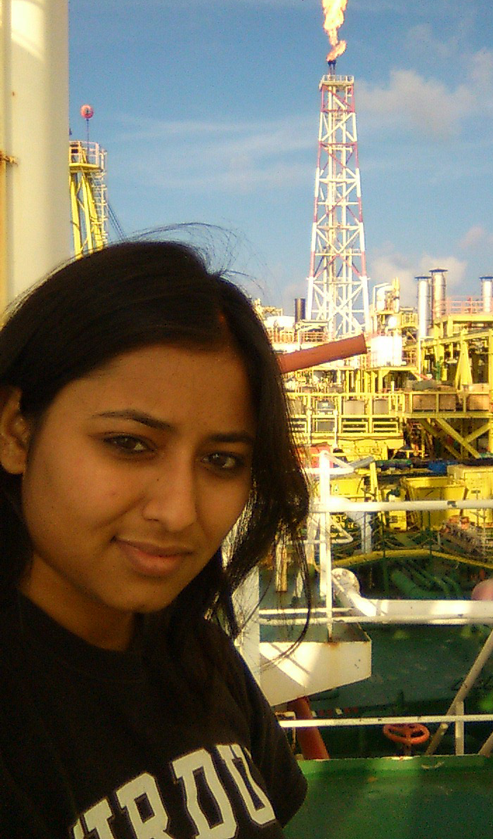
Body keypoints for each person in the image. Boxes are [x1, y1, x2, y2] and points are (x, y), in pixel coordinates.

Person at [0, 240, 311, 838]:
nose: (178, 512)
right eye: (128, 444)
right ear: (16, 431)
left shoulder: (200, 657)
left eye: (221, 460)